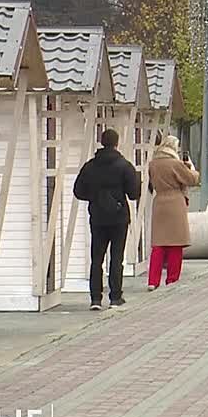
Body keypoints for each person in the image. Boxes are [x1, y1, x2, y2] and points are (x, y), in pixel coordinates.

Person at [73, 128, 142, 310]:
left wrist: (96, 198)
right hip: (119, 218)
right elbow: (134, 194)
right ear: (116, 142)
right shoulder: (124, 166)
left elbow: (78, 191)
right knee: (116, 257)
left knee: (97, 258)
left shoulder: (90, 166)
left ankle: (95, 299)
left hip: (97, 218)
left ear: (101, 142)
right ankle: (115, 297)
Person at [145, 136, 199, 290]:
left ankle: (153, 280)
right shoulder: (175, 164)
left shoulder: (153, 164)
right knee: (176, 243)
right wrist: (191, 168)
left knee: (159, 243)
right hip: (175, 201)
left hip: (159, 201)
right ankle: (172, 279)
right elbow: (191, 179)